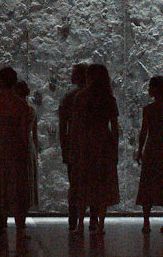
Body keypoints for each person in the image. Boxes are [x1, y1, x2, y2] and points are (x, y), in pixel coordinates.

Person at [70, 64, 120, 235]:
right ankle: (100, 224)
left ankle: (80, 224)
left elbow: (76, 125)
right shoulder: (109, 99)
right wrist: (115, 147)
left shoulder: (81, 97)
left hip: (86, 143)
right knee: (103, 186)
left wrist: (74, 146)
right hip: (104, 143)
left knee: (84, 184)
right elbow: (115, 126)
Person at [0, 67, 32, 238]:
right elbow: (23, 132)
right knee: (17, 189)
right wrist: (25, 153)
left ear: (0, 82)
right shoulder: (21, 105)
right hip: (15, 150)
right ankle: (20, 228)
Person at [134, 75, 163, 234]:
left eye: (150, 86)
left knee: (148, 185)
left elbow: (144, 132)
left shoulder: (148, 109)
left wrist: (139, 150)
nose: (148, 89)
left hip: (152, 149)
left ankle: (146, 222)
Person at [58, 64, 86, 231]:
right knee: (92, 182)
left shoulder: (68, 98)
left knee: (74, 183)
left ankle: (73, 217)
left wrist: (64, 147)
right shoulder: (96, 97)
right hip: (91, 146)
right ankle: (94, 217)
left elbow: (63, 127)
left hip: (74, 146)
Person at [15, 80, 39, 221]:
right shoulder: (31, 110)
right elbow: (34, 134)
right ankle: (22, 220)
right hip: (29, 146)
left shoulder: (16, 109)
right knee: (26, 180)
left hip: (16, 143)